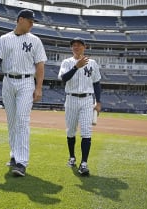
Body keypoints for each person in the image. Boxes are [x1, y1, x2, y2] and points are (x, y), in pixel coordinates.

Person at [0, 9, 47, 177]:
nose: (32, 24)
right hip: (8, 81)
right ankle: (14, 155)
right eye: (30, 21)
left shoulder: (35, 40)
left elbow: (40, 65)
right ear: (20, 20)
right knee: (12, 122)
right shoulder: (4, 39)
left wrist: (39, 87)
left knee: (22, 120)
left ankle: (21, 162)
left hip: (26, 82)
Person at [58, 37, 102, 176]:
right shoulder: (67, 62)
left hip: (87, 100)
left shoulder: (93, 63)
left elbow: (96, 83)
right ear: (72, 48)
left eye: (79, 45)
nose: (76, 47)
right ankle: (72, 157)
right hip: (71, 99)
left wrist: (98, 102)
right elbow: (63, 78)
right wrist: (76, 66)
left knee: (86, 132)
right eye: (74, 45)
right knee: (71, 130)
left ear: (84, 47)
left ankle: (84, 163)